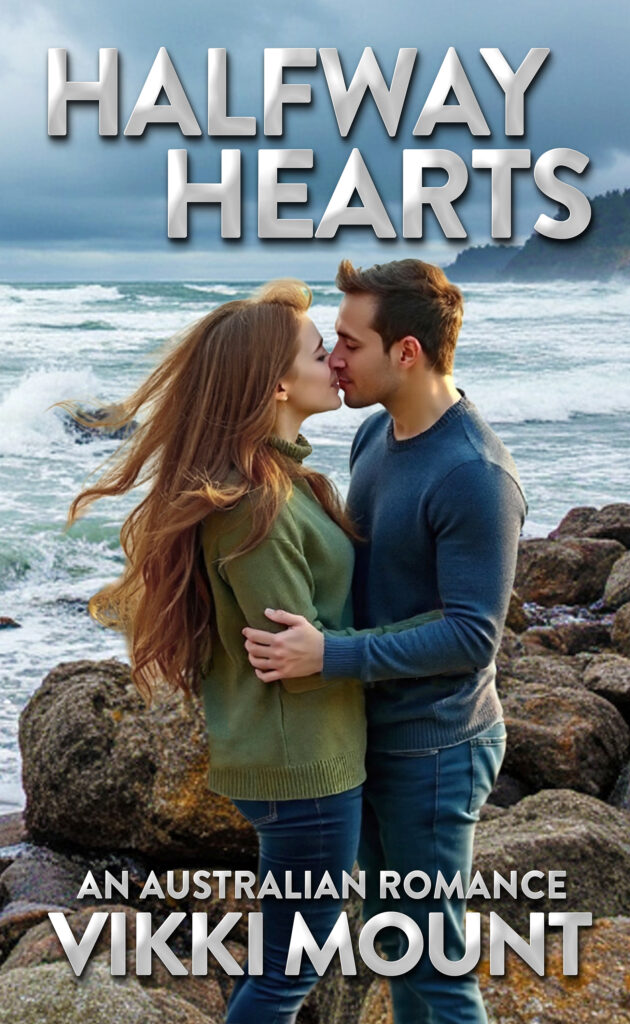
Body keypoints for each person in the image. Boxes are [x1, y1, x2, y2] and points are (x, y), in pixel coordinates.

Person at [65, 278, 438, 1024]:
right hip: (304, 766)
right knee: (285, 977)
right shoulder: (253, 505)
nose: (332, 359)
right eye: (315, 349)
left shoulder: (276, 479)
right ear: (275, 384)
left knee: (279, 967)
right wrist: (441, 637)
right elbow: (297, 661)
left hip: (299, 760)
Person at [242, 259, 528, 1024]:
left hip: (435, 749)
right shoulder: (375, 433)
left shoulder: (474, 475)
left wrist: (331, 655)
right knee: (397, 950)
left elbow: (472, 635)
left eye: (348, 342)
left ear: (406, 352)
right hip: (370, 734)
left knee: (433, 971)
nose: (334, 359)